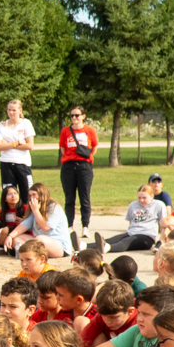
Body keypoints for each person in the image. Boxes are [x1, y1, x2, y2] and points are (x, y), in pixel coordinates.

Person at [58, 104, 97, 247]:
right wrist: (69, 158)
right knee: (69, 198)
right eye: (72, 115)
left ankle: (85, 226)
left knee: (84, 197)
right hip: (68, 166)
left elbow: (94, 146)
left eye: (77, 115)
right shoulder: (65, 131)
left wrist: (88, 158)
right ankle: (70, 226)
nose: (74, 118)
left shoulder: (89, 130)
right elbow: (63, 147)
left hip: (84, 166)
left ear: (83, 116)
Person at [0, 98, 37, 208]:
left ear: (20, 110)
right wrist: (16, 143)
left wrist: (7, 144)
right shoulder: (1, 125)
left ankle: (28, 219)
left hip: (22, 164)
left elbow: (30, 145)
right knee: (9, 195)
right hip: (7, 164)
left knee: (27, 194)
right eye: (9, 110)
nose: (11, 113)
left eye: (14, 110)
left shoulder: (26, 123)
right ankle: (10, 219)